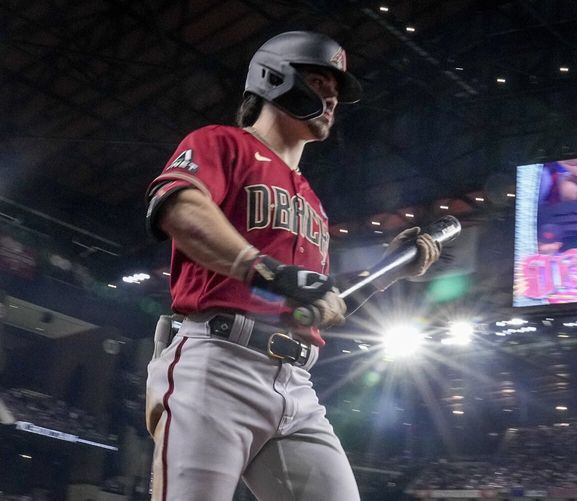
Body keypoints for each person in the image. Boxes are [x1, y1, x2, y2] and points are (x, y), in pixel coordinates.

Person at [143, 31, 441, 501]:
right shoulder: (222, 143)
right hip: (216, 364)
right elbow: (176, 208)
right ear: (273, 78)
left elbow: (320, 303)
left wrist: (389, 272)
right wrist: (269, 271)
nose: (331, 98)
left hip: (296, 382)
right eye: (321, 80)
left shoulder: (314, 203)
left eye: (337, 92)